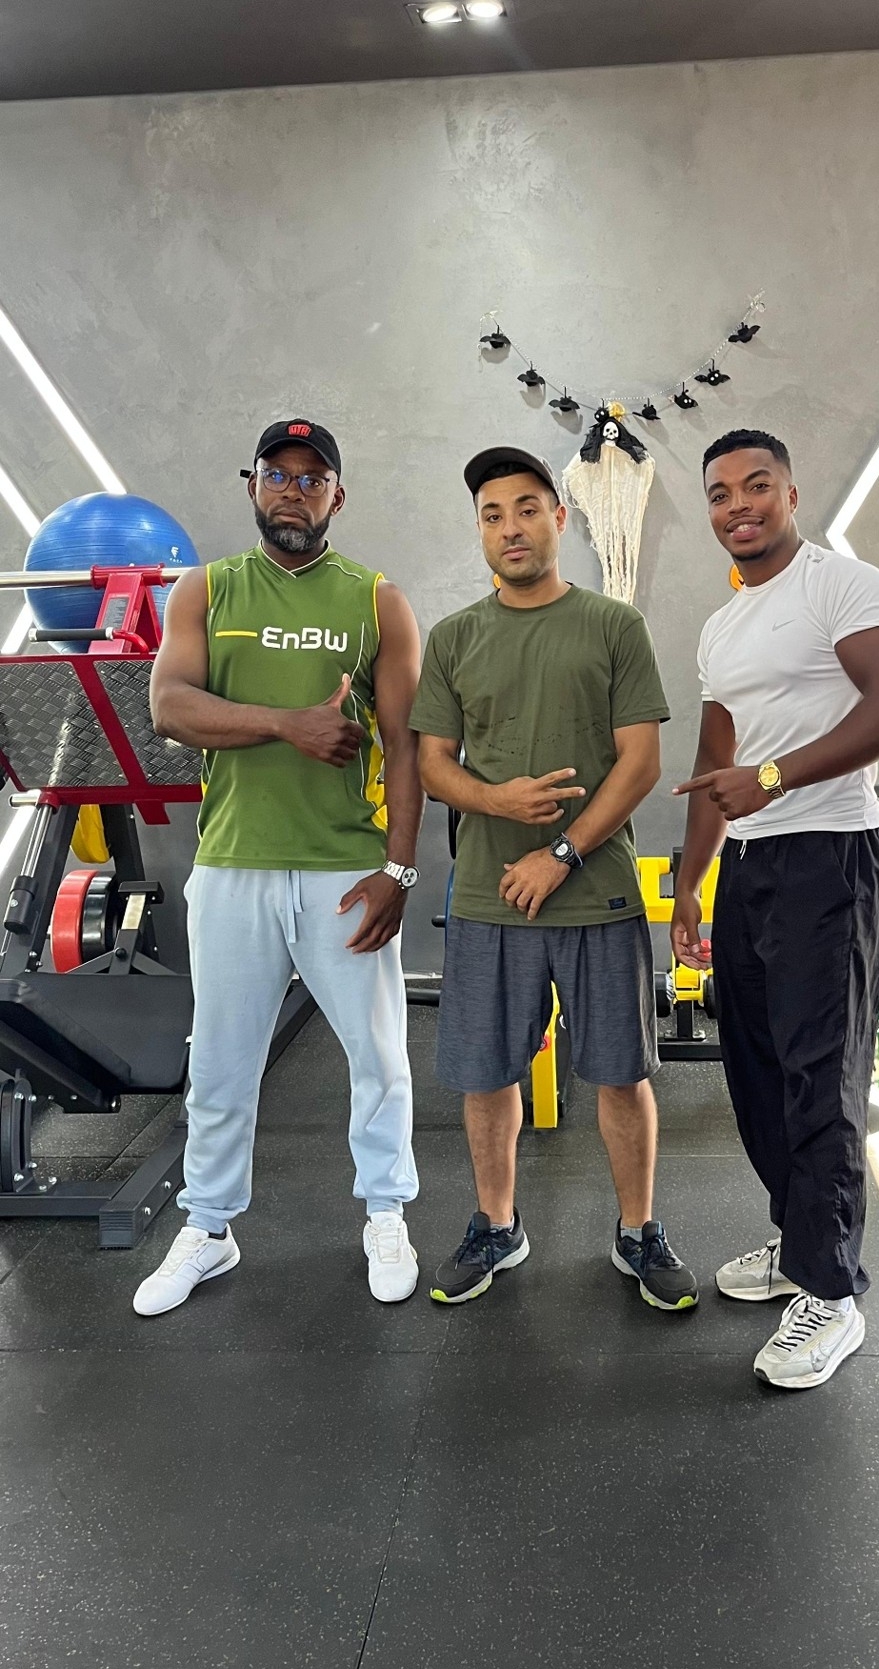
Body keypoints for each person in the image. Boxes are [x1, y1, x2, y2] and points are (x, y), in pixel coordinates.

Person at [134, 418, 424, 1317]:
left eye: (312, 477)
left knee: (378, 1057)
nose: (293, 490)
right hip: (233, 865)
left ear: (338, 494)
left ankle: (386, 1213)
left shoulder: (377, 600)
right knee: (222, 1064)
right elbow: (169, 706)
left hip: (344, 867)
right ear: (252, 484)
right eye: (278, 474)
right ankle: (209, 1227)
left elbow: (407, 748)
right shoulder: (206, 588)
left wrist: (400, 872)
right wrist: (284, 723)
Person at [411, 445, 698, 1312]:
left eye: (528, 509)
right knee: (486, 1075)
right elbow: (433, 764)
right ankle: (496, 1225)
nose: (512, 528)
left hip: (596, 892)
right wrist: (494, 798)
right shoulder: (454, 637)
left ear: (560, 519)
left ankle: (638, 1232)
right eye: (493, 515)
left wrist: (562, 852)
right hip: (487, 896)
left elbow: (640, 763)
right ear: (480, 531)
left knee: (621, 1074)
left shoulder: (613, 626)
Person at [672, 428, 879, 1389]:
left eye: (757, 485)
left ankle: (832, 1292)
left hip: (833, 856)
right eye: (720, 493)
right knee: (757, 1069)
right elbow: (717, 762)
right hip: (750, 865)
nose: (738, 505)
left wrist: (775, 777)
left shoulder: (845, 586)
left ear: (789, 492)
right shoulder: (723, 626)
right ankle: (800, 1240)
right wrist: (691, 881)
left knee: (823, 1077)